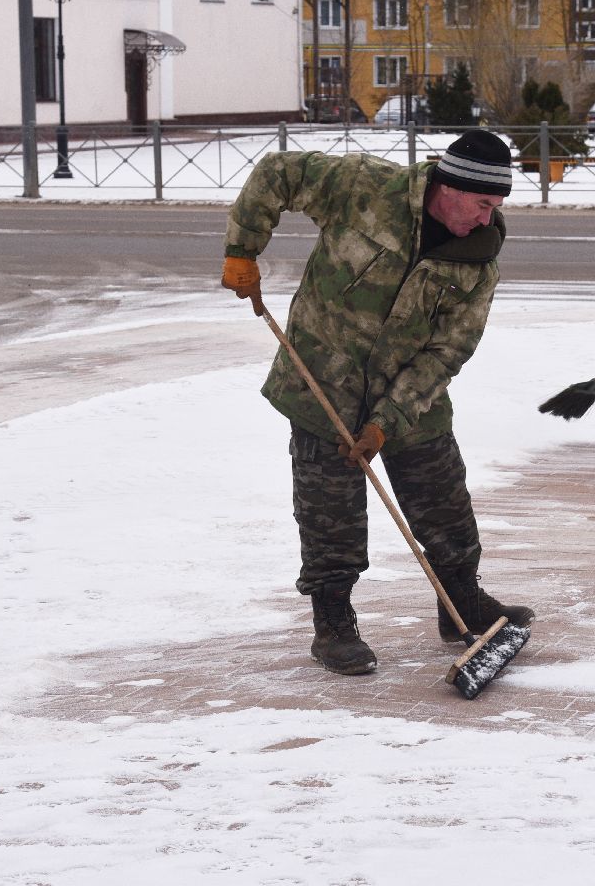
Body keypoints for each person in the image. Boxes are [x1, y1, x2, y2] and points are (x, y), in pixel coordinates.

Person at [220, 129, 534, 676]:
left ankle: (459, 600)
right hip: (324, 381)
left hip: (411, 397)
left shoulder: (477, 259)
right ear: (451, 188)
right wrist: (243, 248)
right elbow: (278, 172)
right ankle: (333, 622)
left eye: (496, 207)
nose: (488, 218)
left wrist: (388, 420)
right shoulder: (365, 188)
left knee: (445, 505)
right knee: (329, 513)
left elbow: (447, 350)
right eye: (483, 203)